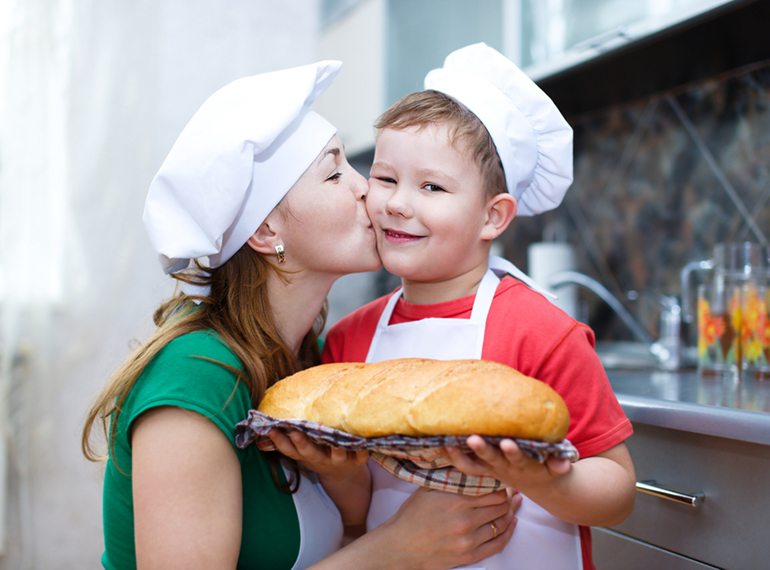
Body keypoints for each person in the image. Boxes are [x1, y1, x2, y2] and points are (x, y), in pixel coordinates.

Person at [81, 60, 520, 569]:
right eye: (334, 173)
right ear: (267, 234)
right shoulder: (193, 379)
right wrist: (396, 552)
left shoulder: (303, 365)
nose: (367, 190)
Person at [322, 43, 637, 569]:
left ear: (493, 217)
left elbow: (618, 490)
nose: (398, 202)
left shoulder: (541, 333)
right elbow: (356, 512)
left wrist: (541, 479)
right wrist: (339, 472)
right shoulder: (347, 342)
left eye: (431, 186)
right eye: (385, 178)